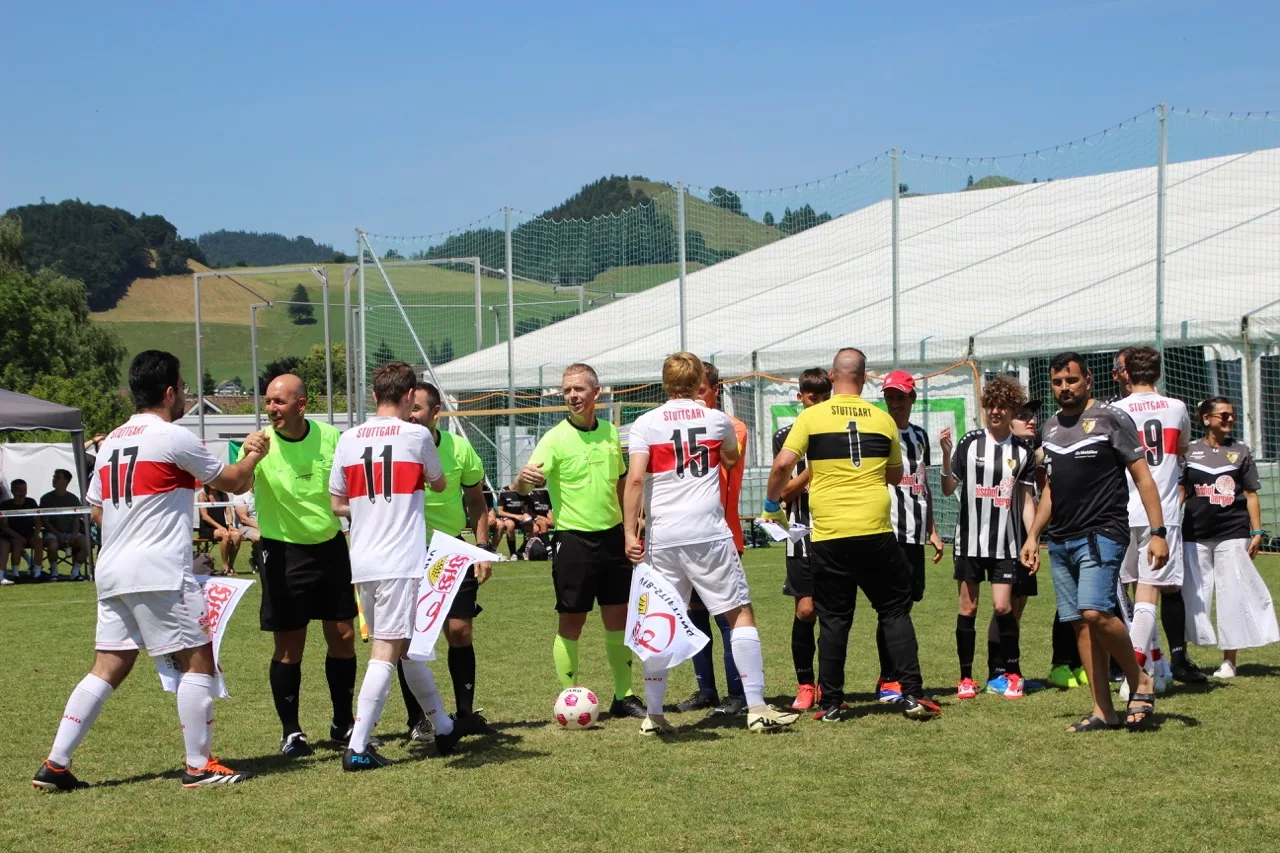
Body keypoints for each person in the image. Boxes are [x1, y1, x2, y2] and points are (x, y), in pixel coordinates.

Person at [32, 350, 267, 791]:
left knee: (109, 665)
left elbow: (99, 511)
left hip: (113, 568)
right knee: (199, 659)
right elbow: (234, 481)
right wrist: (253, 453)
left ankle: (56, 764)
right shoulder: (172, 437)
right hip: (159, 569)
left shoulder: (112, 442)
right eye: (183, 386)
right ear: (170, 390)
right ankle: (199, 766)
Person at [623, 352, 799, 734]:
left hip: (664, 534)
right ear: (700, 380)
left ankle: (654, 717)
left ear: (665, 382)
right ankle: (755, 706)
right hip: (707, 531)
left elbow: (635, 480)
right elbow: (732, 459)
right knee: (739, 614)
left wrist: (628, 533)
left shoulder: (645, 423)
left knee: (659, 620)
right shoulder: (717, 420)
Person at [765, 348, 940, 722]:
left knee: (834, 619)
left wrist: (769, 505)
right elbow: (895, 476)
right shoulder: (883, 419)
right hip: (876, 531)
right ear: (864, 378)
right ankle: (911, 695)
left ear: (832, 376)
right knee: (894, 611)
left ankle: (831, 704)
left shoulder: (812, 416)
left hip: (829, 535)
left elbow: (783, 463)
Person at [1020, 351, 1165, 731]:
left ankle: (1140, 679)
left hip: (1102, 533)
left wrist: (1158, 532)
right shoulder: (1049, 428)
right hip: (1061, 539)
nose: (1064, 388)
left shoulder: (1111, 418)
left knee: (1095, 612)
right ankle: (1103, 710)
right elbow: (1049, 490)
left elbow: (1144, 478)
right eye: (1057, 382)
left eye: (1071, 380)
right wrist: (1034, 535)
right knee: (1079, 625)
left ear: (1088, 380)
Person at [329, 361, 454, 770]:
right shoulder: (418, 435)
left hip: (363, 559)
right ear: (407, 397)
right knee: (387, 649)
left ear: (373, 396)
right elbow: (439, 483)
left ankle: (443, 726)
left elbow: (337, 503)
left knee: (410, 650)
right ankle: (359, 746)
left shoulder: (348, 439)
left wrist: (369, 505)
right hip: (401, 560)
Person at [514, 363, 644, 719]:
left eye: (578, 389)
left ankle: (624, 696)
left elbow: (620, 482)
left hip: (614, 539)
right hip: (573, 541)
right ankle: (570, 698)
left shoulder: (610, 434)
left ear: (595, 393)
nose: (572, 396)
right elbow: (522, 486)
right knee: (572, 622)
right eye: (567, 390)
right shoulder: (554, 438)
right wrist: (521, 482)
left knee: (618, 619)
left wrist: (632, 524)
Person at [250, 374, 359, 758]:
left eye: (279, 402)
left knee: (343, 636)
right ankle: (291, 731)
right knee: (289, 645)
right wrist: (248, 456)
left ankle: (343, 722)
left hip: (330, 547)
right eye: (268, 401)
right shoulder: (258, 444)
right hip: (282, 552)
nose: (271, 409)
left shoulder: (333, 438)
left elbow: (352, 487)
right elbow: (233, 485)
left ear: (301, 404)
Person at [397, 381, 496, 741]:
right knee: (407, 641)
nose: (410, 415)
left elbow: (476, 501)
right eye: (408, 408)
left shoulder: (459, 448)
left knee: (460, 630)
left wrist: (481, 548)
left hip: (452, 551)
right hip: (406, 552)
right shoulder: (395, 448)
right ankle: (418, 719)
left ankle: (466, 713)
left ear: (436, 412)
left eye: (417, 409)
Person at [940, 374, 1038, 700]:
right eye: (990, 405)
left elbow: (1025, 500)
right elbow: (948, 487)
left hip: (1006, 544)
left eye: (1002, 406)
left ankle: (1012, 672)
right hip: (969, 542)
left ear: (1012, 410)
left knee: (1002, 607)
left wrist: (1031, 539)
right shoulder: (969, 443)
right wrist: (945, 455)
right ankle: (966, 677)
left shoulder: (1022, 452)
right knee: (968, 609)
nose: (995, 411)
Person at [1112, 347, 1202, 689]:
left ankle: (1155, 667)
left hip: (1122, 511)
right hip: (1160, 514)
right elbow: (1181, 451)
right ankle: (1136, 675)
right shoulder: (1177, 407)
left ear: (1126, 373)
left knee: (1136, 590)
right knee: (1149, 593)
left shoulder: (1115, 410)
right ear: (1159, 374)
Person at [1180, 397, 1278, 677]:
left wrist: (1257, 531)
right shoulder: (1189, 451)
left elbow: (1250, 494)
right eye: (1223, 415)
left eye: (1231, 415)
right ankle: (1182, 657)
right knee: (1192, 594)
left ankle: (1229, 661)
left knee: (1232, 594)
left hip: (1233, 533)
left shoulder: (1241, 451)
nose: (1229, 419)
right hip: (1193, 534)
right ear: (1206, 419)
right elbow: (1181, 491)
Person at [679, 361, 748, 716]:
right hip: (690, 537)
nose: (694, 399)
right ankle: (706, 688)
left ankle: (737, 693)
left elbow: (723, 465)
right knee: (693, 615)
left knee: (727, 617)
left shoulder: (731, 427)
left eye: (701, 391)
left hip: (721, 536)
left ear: (714, 390)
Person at [881, 370, 944, 703]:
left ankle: (892, 674)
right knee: (894, 606)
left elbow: (924, 485)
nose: (895, 403)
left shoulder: (919, 436)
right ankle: (888, 677)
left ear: (912, 399)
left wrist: (932, 529)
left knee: (910, 599)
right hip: (890, 530)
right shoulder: (879, 434)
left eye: (900, 397)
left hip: (916, 532)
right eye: (890, 397)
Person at [1014, 402, 1087, 689]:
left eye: (1032, 415)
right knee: (1006, 607)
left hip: (1042, 532)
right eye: (1022, 415)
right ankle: (1009, 671)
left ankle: (1076, 661)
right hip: (1015, 539)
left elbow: (1042, 484)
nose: (1031, 420)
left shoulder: (1034, 453)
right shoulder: (1015, 454)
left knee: (1082, 601)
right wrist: (1032, 534)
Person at [772, 368, 832, 710]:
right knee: (806, 610)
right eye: (812, 398)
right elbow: (782, 492)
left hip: (835, 532)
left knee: (831, 613)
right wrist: (813, 469)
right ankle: (805, 684)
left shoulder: (835, 432)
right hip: (801, 533)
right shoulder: (786, 435)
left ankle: (828, 686)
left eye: (824, 398)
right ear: (800, 398)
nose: (818, 404)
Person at [40, 469, 90, 581]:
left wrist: (74, 534)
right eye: (54, 477)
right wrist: (57, 534)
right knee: (52, 544)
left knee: (86, 543)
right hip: (52, 533)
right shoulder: (46, 498)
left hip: (69, 533)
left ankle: (76, 571)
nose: (54, 479)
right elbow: (45, 521)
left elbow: (76, 519)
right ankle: (54, 571)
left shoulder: (73, 499)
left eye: (57, 477)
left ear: (66, 481)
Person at [1, 478, 42, 584]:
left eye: (24, 489)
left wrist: (36, 534)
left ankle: (37, 573)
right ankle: (15, 574)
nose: (22, 493)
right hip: (11, 534)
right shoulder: (6, 505)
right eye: (19, 490)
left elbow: (38, 521)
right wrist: (16, 536)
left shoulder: (31, 502)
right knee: (18, 542)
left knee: (39, 541)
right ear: (12, 491)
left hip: (29, 533)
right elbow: (4, 525)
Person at [197, 484, 241, 576]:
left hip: (222, 527)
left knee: (237, 535)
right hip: (207, 529)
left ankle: (231, 565)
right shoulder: (202, 496)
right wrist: (219, 527)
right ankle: (225, 567)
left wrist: (230, 524)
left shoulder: (224, 495)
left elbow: (228, 512)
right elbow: (205, 516)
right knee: (226, 535)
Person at [495, 483, 530, 558]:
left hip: (520, 518)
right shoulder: (504, 491)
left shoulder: (524, 492)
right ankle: (513, 553)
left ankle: (521, 551)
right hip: (507, 517)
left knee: (535, 528)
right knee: (511, 525)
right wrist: (515, 516)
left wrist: (526, 515)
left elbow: (525, 510)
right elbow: (500, 512)